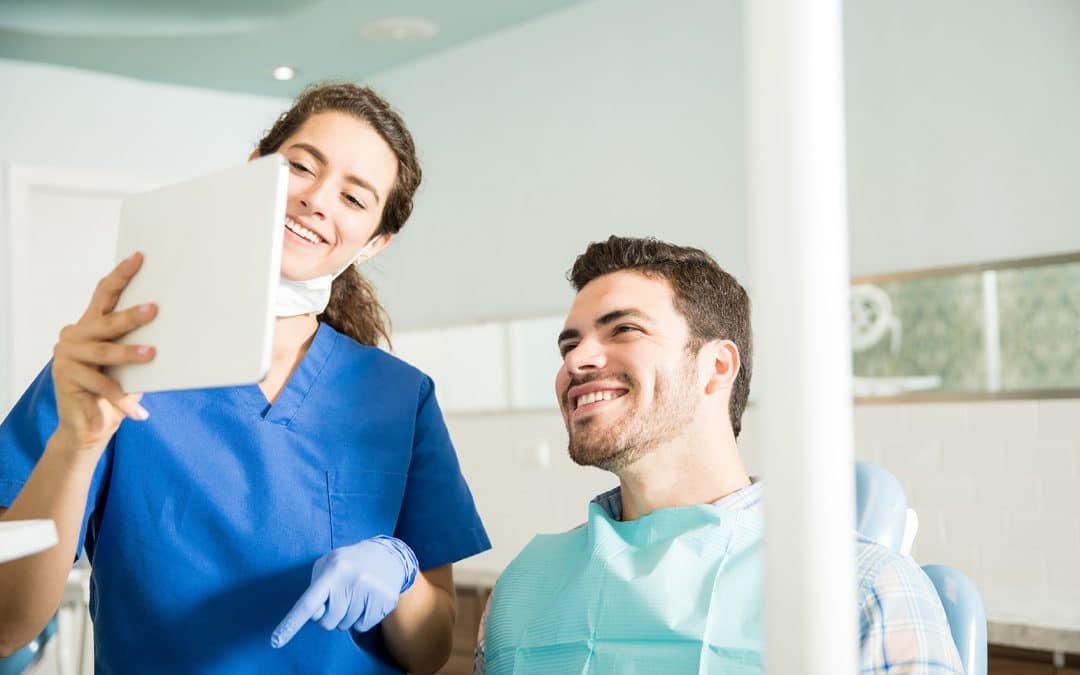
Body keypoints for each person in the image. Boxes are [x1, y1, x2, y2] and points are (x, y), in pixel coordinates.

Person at [0, 83, 490, 674]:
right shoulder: (116, 358)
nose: (316, 199)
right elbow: (6, 628)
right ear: (255, 170)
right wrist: (76, 444)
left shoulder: (399, 396)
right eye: (301, 167)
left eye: (354, 199)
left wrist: (401, 577)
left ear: (374, 243)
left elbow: (432, 650)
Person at [475, 236, 962, 674]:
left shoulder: (863, 589)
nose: (575, 360)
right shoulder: (522, 591)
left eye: (623, 329)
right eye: (569, 344)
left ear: (717, 365)